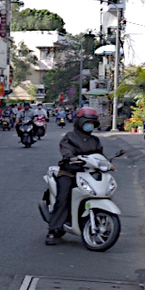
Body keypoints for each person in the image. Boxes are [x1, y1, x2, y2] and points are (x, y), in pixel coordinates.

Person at [46, 103, 104, 244]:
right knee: (63, 198)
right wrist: (70, 157)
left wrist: (107, 163)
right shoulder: (69, 137)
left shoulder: (95, 140)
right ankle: (53, 229)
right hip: (69, 173)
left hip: (88, 174)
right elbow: (65, 150)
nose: (90, 125)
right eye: (87, 122)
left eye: (92, 123)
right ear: (80, 122)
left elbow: (100, 155)